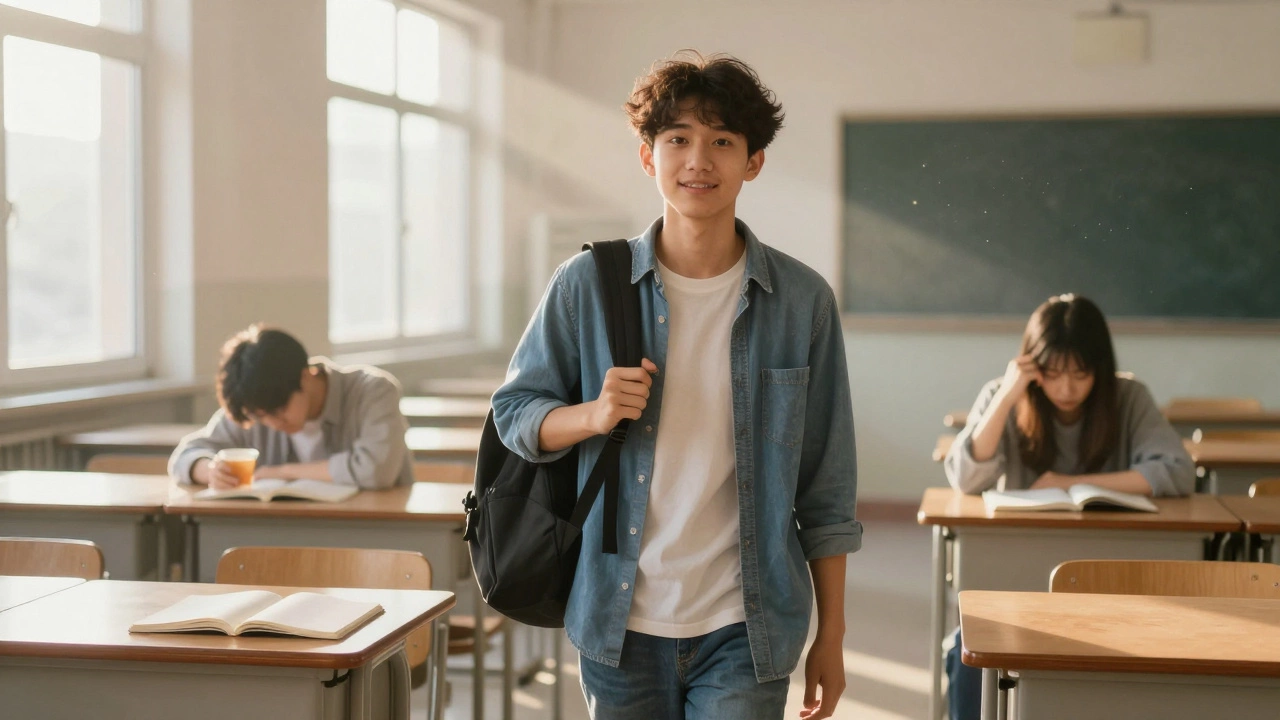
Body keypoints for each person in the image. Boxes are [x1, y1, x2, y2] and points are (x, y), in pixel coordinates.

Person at [491, 52, 861, 720]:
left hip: (747, 626)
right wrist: (593, 415)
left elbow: (827, 491)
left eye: (722, 141)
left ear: (753, 162)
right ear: (647, 156)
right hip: (617, 618)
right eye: (678, 140)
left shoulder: (802, 302)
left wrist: (831, 637)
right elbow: (514, 413)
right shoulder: (586, 286)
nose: (699, 160)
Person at [942, 293, 1194, 720]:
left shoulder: (1128, 397)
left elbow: (1176, 471)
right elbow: (965, 478)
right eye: (1053, 373)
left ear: (1100, 366)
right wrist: (1006, 396)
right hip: (1017, 588)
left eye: (1080, 373)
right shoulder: (1005, 395)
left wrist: (1072, 482)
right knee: (966, 654)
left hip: (1111, 588)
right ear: (1031, 364)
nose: (1066, 388)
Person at [169, 324, 413, 490]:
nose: (274, 424)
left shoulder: (373, 391)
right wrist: (209, 470)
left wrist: (283, 472)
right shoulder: (257, 405)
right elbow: (183, 457)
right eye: (262, 417)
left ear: (305, 377)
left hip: (371, 535)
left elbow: (376, 471)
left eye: (279, 411)